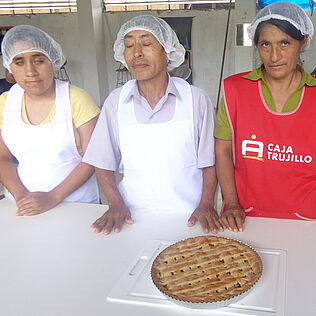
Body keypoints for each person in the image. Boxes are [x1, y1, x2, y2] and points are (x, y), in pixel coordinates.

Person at [83, 15, 222, 235]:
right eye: (129, 45)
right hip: (131, 217)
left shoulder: (195, 99)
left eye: (146, 44)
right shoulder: (116, 102)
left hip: (188, 217)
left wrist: (207, 204)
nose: (136, 53)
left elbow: (210, 161)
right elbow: (102, 160)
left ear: (168, 52)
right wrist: (115, 202)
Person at [215, 2, 316, 232]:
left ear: (303, 43)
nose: (274, 56)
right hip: (245, 218)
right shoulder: (235, 91)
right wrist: (231, 203)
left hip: (309, 221)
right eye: (265, 44)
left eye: (285, 43)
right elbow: (222, 150)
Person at [0, 25, 100, 216]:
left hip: (76, 205)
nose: (30, 71)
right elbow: (2, 157)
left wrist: (52, 197)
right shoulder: (5, 102)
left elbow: (93, 158)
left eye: (38, 61)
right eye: (19, 62)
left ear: (52, 61)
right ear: (9, 68)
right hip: (20, 207)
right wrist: (21, 197)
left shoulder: (76, 99)